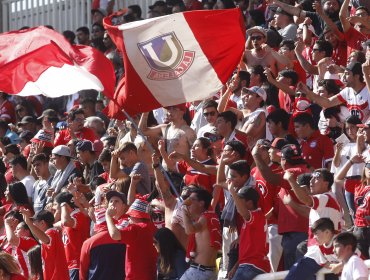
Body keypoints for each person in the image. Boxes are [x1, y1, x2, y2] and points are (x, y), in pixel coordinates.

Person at [284, 169, 342, 280]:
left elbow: (306, 200)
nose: (311, 181)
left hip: (320, 254)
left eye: (316, 177)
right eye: (311, 178)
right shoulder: (326, 200)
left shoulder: (325, 198)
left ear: (326, 183)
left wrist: (291, 179)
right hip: (325, 255)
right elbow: (307, 208)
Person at [79, 190, 127, 280]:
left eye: (116, 201)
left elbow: (83, 272)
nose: (113, 204)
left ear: (124, 206)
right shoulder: (123, 234)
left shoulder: (127, 228)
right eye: (111, 201)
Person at [105, 198, 157, 280]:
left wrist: (108, 217)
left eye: (130, 216)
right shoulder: (153, 228)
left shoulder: (136, 229)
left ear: (136, 215)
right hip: (151, 276)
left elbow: (114, 235)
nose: (128, 219)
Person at [228, 185, 270, 279]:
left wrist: (233, 192)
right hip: (250, 265)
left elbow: (243, 212)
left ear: (250, 203)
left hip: (252, 266)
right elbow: (247, 253)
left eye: (239, 200)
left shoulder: (257, 216)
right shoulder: (252, 219)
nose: (236, 203)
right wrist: (235, 267)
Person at [181, 188, 221, 280]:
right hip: (209, 271)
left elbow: (189, 230)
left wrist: (183, 210)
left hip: (199, 271)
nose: (188, 202)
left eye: (191, 199)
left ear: (201, 203)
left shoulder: (205, 218)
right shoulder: (211, 216)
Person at [20, 209, 69, 280]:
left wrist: (29, 223)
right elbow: (39, 237)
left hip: (57, 276)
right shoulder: (50, 233)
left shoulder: (51, 232)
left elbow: (45, 239)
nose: (33, 224)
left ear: (42, 223)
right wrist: (29, 222)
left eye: (34, 222)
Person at [55, 192, 90, 280]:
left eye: (56, 204)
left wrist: (63, 206)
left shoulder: (78, 215)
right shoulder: (70, 216)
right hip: (70, 265)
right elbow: (53, 226)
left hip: (78, 264)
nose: (54, 207)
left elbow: (66, 222)